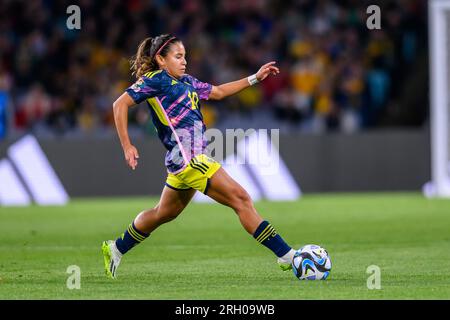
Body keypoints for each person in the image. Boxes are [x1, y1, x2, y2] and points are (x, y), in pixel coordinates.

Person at [102, 34, 296, 279]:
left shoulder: (186, 81)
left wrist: (255, 78)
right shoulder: (155, 80)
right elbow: (119, 105)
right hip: (189, 158)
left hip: (184, 160)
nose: (184, 61)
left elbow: (218, 92)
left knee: (163, 213)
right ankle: (288, 256)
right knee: (242, 199)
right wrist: (127, 145)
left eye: (185, 56)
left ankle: (116, 248)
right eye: (178, 56)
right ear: (161, 59)